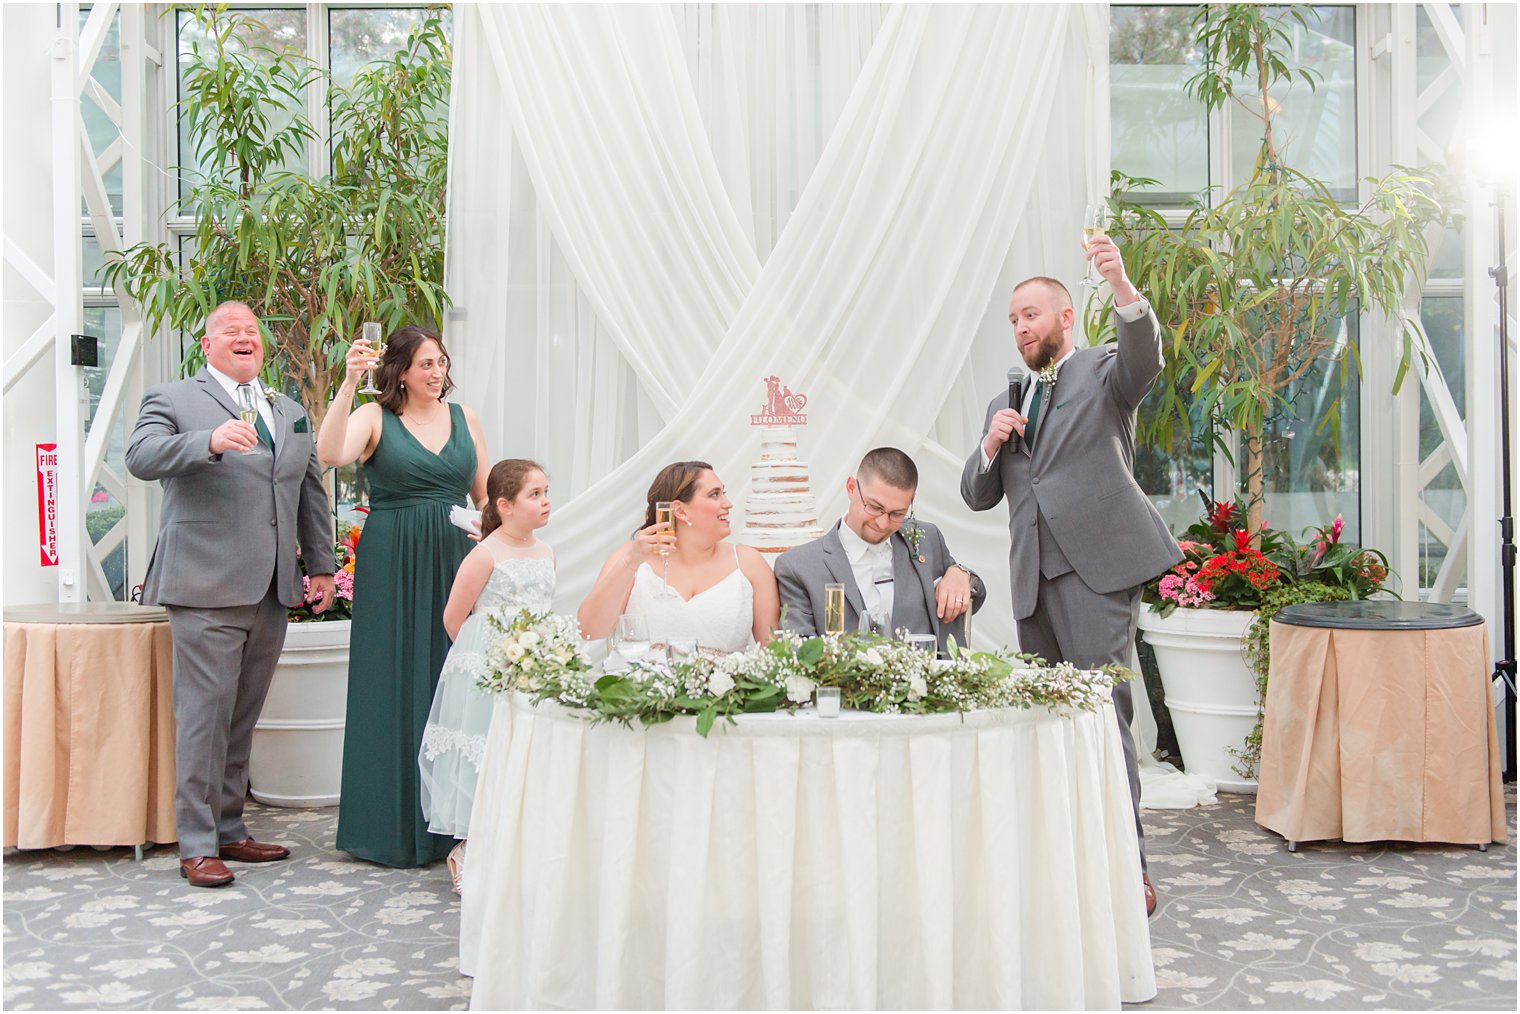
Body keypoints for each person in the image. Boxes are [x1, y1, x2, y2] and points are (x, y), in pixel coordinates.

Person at [959, 234, 1182, 916]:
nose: (1022, 325)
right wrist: (990, 443)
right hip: (1034, 586)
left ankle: (1127, 870)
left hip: (1096, 576)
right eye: (1013, 318)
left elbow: (1146, 357)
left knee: (1101, 722)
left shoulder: (1102, 371)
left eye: (1031, 313)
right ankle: (1063, 866)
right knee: (1049, 727)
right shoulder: (1012, 397)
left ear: (1062, 317)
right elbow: (976, 494)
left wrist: (1120, 284)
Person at [125, 300, 336, 888]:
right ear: (207, 343)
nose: (245, 338)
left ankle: (228, 829)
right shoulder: (173, 399)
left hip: (272, 589)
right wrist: (209, 441)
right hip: (204, 584)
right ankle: (195, 844)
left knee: (241, 715)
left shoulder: (288, 409)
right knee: (203, 717)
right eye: (231, 331)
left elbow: (308, 492)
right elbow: (140, 458)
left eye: (252, 332)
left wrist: (320, 565)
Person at [318, 324, 490, 869]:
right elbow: (327, 452)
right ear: (400, 371)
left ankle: (455, 827)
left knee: (453, 675)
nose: (437, 373)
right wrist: (348, 384)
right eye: (425, 365)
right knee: (389, 679)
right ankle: (387, 825)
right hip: (392, 557)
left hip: (455, 558)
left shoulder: (466, 420)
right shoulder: (374, 418)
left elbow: (487, 498)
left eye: (441, 362)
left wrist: (495, 549)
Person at [419, 459, 555, 895]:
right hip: (489, 671)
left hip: (536, 667)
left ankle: (520, 850)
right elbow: (454, 618)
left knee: (526, 755)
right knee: (485, 755)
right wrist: (484, 659)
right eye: (534, 494)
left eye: (546, 491)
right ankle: (466, 849)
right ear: (505, 505)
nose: (545, 501)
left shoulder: (547, 551)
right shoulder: (485, 554)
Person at [775, 447, 984, 653]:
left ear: (911, 501)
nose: (883, 524)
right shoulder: (799, 566)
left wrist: (961, 574)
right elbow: (799, 651)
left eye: (897, 513)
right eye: (874, 507)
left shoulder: (927, 539)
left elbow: (976, 596)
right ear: (851, 488)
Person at [578, 461, 779, 653]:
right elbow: (589, 631)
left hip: (726, 687)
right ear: (680, 511)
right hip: (642, 686)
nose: (728, 504)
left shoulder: (749, 563)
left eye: (722, 493)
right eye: (714, 495)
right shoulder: (630, 557)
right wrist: (631, 561)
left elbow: (773, 651)